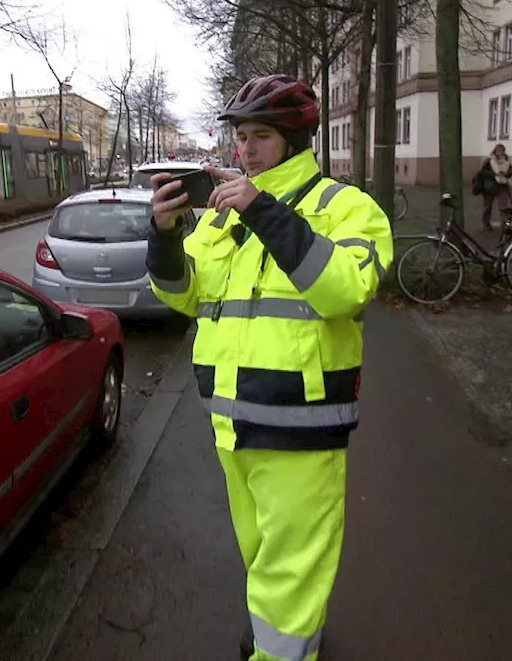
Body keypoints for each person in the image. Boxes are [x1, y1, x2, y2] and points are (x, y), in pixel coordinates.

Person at [145, 73, 394, 661]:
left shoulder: (345, 206)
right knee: (262, 554)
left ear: (294, 139)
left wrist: (266, 212)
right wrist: (160, 236)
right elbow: (183, 296)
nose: (246, 149)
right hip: (230, 426)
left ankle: (279, 653)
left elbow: (345, 291)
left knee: (292, 570)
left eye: (260, 137)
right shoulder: (224, 212)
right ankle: (274, 637)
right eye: (241, 137)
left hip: (301, 427)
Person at [475, 143, 512, 230]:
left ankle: (505, 224)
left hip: (502, 186)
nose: (500, 153)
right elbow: (483, 172)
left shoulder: (506, 161)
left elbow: (511, 171)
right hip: (490, 186)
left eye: (502, 151)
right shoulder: (489, 161)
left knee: (503, 206)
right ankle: (486, 224)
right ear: (495, 151)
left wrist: (507, 173)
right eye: (498, 151)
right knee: (487, 206)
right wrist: (494, 174)